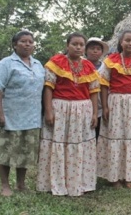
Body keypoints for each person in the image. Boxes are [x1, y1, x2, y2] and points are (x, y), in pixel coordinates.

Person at [37, 32, 99, 196]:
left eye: (81, 45)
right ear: (67, 45)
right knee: (59, 144)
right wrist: (49, 111)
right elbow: (49, 88)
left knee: (80, 144)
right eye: (75, 44)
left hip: (82, 110)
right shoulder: (56, 63)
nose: (78, 47)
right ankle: (56, 183)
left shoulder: (89, 66)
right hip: (61, 108)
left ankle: (79, 183)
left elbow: (93, 92)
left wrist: (93, 114)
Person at [97, 30, 131, 189]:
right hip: (116, 102)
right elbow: (103, 85)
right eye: (127, 40)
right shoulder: (110, 61)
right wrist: (105, 106)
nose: (130, 43)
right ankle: (114, 178)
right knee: (116, 138)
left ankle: (130, 176)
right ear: (121, 42)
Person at [0, 30, 45, 196]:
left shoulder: (37, 64)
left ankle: (21, 184)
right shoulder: (6, 63)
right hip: (11, 116)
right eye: (23, 41)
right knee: (6, 152)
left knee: (25, 151)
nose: (27, 44)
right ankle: (5, 185)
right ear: (15, 45)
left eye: (30, 41)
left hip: (32, 116)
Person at [85, 37, 109, 140]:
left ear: (102, 52)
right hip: (85, 107)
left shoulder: (106, 67)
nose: (95, 51)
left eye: (98, 49)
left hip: (102, 107)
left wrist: (105, 107)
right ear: (86, 51)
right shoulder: (81, 66)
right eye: (92, 48)